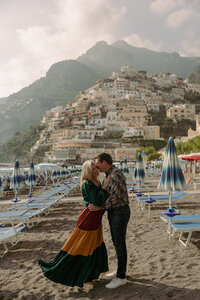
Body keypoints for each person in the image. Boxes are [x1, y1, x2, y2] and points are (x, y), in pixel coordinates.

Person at [39, 160, 108, 288]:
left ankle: (89, 276)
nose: (96, 170)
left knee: (93, 247)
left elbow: (99, 202)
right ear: (87, 171)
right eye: (93, 169)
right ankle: (64, 272)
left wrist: (102, 194)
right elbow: (97, 200)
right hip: (89, 220)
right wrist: (104, 189)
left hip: (95, 219)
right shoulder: (87, 183)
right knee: (81, 248)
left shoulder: (96, 181)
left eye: (96, 168)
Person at [89, 153, 130, 289]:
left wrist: (98, 208)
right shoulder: (109, 174)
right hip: (115, 212)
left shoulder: (115, 174)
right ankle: (120, 271)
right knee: (116, 242)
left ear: (105, 162)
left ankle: (121, 277)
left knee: (119, 244)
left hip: (119, 211)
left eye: (98, 163)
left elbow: (115, 199)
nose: (97, 166)